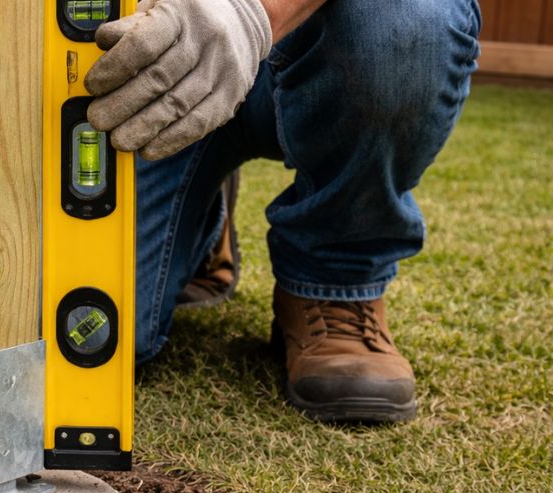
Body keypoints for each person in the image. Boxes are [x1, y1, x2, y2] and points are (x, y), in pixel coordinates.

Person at [85, 0, 481, 423]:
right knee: (95, 335)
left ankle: (333, 283)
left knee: (402, 21)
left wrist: (252, 12)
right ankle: (198, 215)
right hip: (155, 57)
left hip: (310, 29)